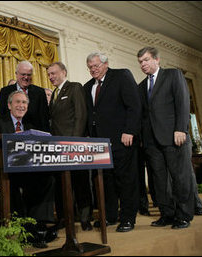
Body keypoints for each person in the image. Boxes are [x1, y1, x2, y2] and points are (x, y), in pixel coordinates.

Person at [0, 91, 57, 248]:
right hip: (3, 172)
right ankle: (29, 230)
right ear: (9, 105)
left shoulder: (30, 126)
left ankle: (39, 224)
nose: (21, 106)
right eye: (17, 102)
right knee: (15, 183)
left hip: (27, 171)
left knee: (48, 179)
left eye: (24, 103)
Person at [137, 46, 194, 229]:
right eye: (140, 62)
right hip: (151, 141)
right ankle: (167, 214)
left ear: (156, 59)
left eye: (146, 60)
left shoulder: (172, 75)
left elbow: (183, 102)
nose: (143, 64)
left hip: (173, 136)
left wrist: (180, 129)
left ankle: (183, 215)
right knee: (159, 181)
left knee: (179, 177)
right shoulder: (141, 86)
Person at [84, 52, 141, 232]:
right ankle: (110, 216)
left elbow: (134, 105)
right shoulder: (87, 87)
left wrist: (129, 130)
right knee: (106, 181)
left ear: (106, 64)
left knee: (125, 180)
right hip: (99, 143)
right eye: (90, 67)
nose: (93, 69)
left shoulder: (121, 75)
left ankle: (128, 218)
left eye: (96, 65)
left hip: (122, 139)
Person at [47, 62, 93, 231]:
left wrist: (75, 143)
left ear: (64, 72)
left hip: (74, 146)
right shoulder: (54, 94)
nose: (51, 76)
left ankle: (85, 218)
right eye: (49, 74)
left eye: (54, 73)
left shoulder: (74, 87)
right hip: (58, 149)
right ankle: (64, 218)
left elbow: (81, 116)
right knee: (61, 185)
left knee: (80, 183)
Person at [0, 61, 50, 132]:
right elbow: (1, 116)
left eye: (29, 75)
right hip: (10, 135)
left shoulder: (40, 92)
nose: (26, 77)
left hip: (34, 136)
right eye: (23, 74)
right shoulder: (5, 91)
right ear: (16, 74)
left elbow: (44, 119)